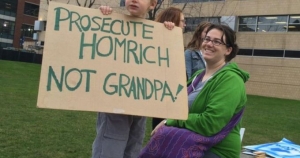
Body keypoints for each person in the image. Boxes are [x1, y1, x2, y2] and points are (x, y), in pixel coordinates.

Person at [139, 24, 250, 158]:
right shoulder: (198, 76)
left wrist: (172, 121)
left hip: (216, 150)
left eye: (216, 41)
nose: (209, 44)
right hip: (191, 143)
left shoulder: (231, 80)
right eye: (207, 39)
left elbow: (210, 124)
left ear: (228, 50)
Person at [92, 1, 176, 158]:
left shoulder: (156, 33)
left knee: (133, 148)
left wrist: (167, 33)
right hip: (114, 106)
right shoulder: (110, 21)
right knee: (110, 148)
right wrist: (102, 15)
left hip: (139, 107)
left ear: (152, 4)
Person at [151, 6, 186, 131]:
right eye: (182, 21)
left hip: (174, 98)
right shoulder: (157, 43)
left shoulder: (178, 44)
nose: (185, 25)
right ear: (174, 21)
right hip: (163, 100)